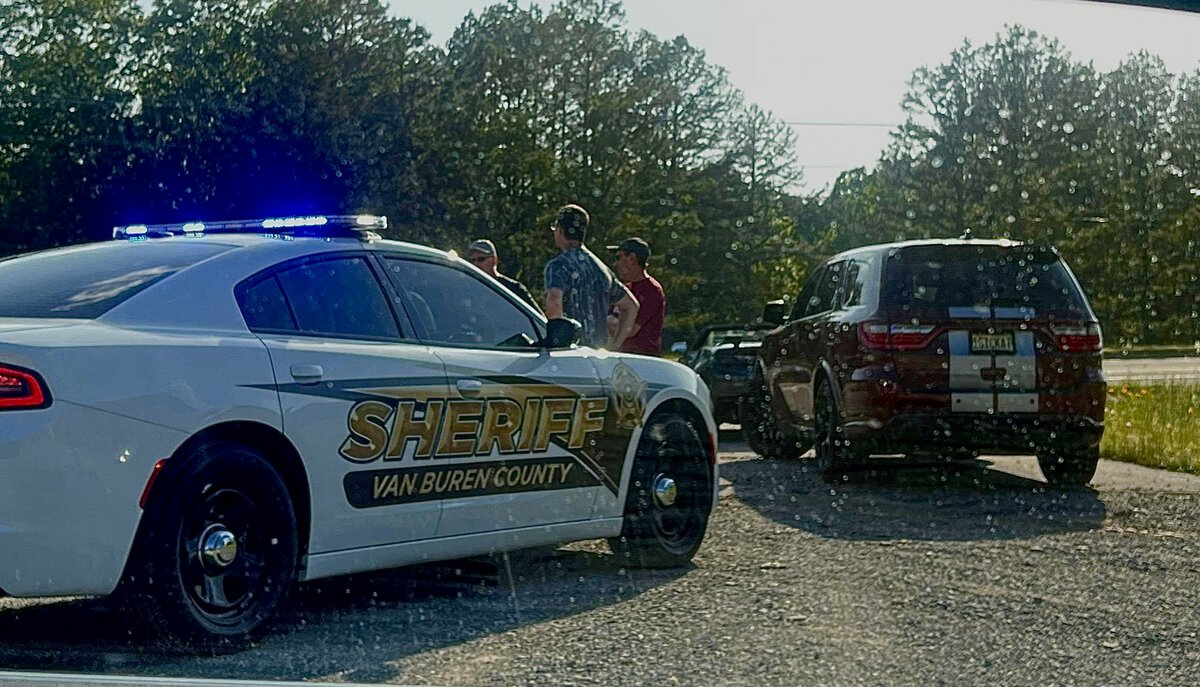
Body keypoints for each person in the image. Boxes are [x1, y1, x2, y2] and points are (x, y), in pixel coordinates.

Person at [543, 204, 638, 349]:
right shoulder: (602, 269)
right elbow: (631, 305)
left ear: (560, 230)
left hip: (571, 353)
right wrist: (615, 344)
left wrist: (558, 342)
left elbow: (554, 302)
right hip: (598, 354)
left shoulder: (558, 266)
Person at [608, 237, 665, 355]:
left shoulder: (651, 290)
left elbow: (630, 330)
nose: (615, 264)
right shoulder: (624, 290)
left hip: (642, 358)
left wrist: (603, 321)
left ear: (632, 259)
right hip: (621, 356)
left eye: (618, 258)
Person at [466, 238, 540, 312]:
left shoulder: (513, 289)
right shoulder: (467, 290)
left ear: (494, 260)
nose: (476, 264)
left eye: (481, 259)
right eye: (472, 260)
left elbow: (537, 316)